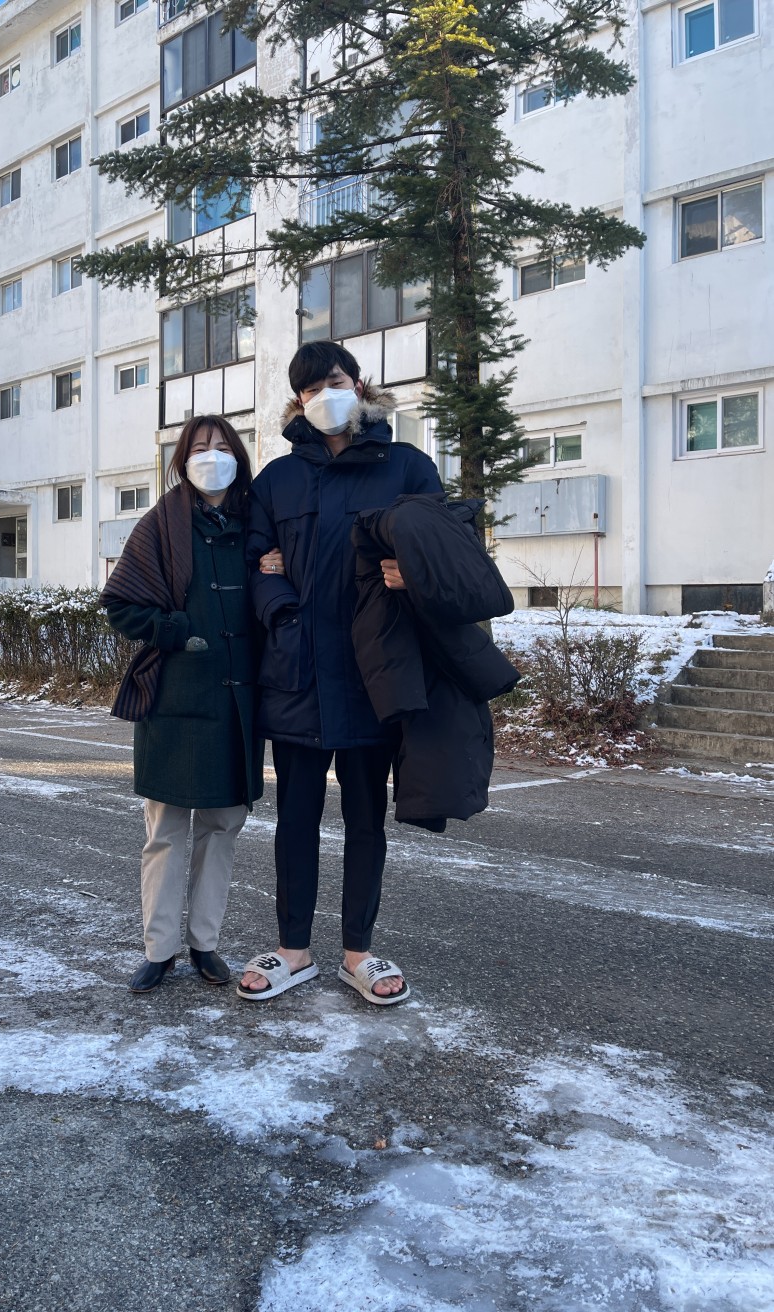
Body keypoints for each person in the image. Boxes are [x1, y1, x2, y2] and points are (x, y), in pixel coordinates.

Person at [238, 341, 444, 1006]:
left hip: (371, 673)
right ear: (297, 401)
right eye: (309, 389)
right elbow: (253, 561)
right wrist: (281, 610)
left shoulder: (407, 466)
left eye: (333, 381)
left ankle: (359, 952)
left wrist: (414, 571)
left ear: (358, 384)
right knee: (294, 820)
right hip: (296, 674)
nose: (322, 396)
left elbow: (449, 548)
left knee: (365, 819)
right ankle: (293, 950)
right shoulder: (276, 480)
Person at [101, 415, 282, 994]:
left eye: (222, 446)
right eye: (200, 447)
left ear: (238, 457)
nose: (212, 456)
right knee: (166, 827)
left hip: (239, 700)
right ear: (182, 459)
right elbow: (121, 603)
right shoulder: (160, 524)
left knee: (223, 825)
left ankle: (205, 943)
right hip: (176, 697)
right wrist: (173, 630)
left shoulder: (258, 524)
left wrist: (280, 567)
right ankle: (159, 950)